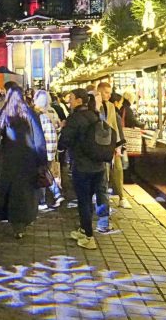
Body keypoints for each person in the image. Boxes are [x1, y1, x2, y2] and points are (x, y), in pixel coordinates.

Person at [58, 88, 111, 250]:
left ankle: (88, 236)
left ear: (79, 100)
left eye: (72, 98)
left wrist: (60, 146)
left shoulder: (75, 118)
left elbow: (65, 140)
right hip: (98, 165)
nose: (69, 101)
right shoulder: (95, 115)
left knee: (84, 201)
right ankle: (83, 229)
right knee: (90, 198)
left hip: (82, 165)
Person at [0, 86, 46, 239]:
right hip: (29, 159)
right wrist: (42, 159)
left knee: (12, 191)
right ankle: (24, 221)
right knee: (26, 191)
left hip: (10, 159)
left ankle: (16, 224)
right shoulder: (30, 114)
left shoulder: (4, 114)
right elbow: (39, 138)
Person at [97, 82, 129, 209]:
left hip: (112, 144)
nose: (109, 95)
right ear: (99, 91)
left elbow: (116, 126)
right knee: (104, 172)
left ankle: (121, 196)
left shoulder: (111, 107)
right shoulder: (94, 106)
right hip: (99, 145)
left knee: (118, 170)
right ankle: (103, 198)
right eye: (106, 92)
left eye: (110, 93)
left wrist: (119, 145)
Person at [33, 90, 65, 209]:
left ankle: (42, 201)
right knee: (46, 173)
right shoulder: (52, 111)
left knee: (41, 174)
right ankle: (56, 194)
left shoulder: (40, 116)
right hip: (51, 148)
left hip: (43, 149)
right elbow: (57, 127)